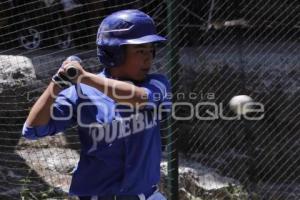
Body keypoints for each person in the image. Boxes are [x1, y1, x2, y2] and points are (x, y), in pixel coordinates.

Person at [22, 9, 171, 200]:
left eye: (151, 50)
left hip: (145, 195)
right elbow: (33, 129)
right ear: (114, 54)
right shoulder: (82, 91)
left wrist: (84, 77)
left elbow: (140, 98)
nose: (148, 57)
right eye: (140, 50)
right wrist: (57, 83)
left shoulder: (157, 83)